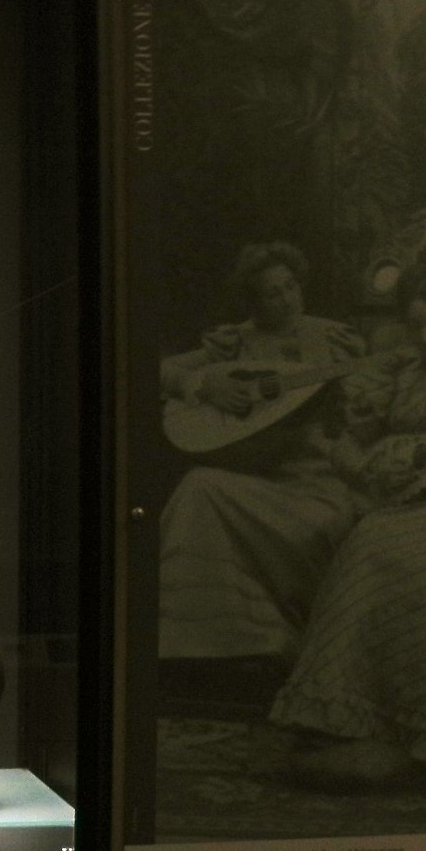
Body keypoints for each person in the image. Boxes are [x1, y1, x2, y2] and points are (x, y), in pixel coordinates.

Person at [271, 260, 426, 787]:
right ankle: (348, 720)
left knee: (404, 552)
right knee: (371, 541)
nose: (424, 338)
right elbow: (364, 438)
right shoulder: (405, 374)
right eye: (415, 326)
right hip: (400, 500)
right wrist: (357, 443)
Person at [157, 241, 369, 687]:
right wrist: (204, 382)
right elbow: (155, 373)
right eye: (272, 293)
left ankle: (270, 643)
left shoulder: (332, 337)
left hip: (319, 482)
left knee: (319, 521)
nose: (287, 298)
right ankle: (209, 650)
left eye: (291, 286)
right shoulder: (236, 341)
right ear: (254, 302)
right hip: (258, 480)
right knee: (200, 487)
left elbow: (368, 408)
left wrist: (358, 375)